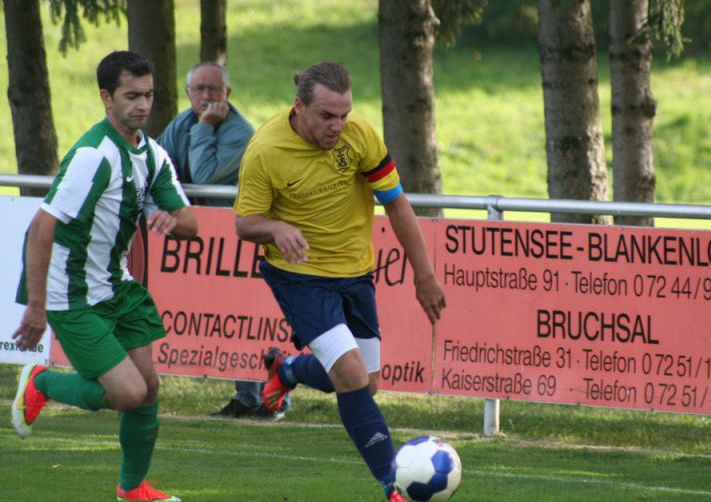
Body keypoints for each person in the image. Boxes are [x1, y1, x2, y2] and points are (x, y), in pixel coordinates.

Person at [234, 61, 446, 502]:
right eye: (327, 115)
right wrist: (275, 228)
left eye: (344, 114)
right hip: (299, 278)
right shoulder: (265, 151)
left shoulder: (360, 135)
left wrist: (424, 274)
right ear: (300, 107)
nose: (338, 125)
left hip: (355, 273)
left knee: (366, 383)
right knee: (350, 375)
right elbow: (244, 224)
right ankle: (393, 485)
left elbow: (396, 203)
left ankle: (287, 368)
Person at [11, 51, 197, 502]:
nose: (143, 104)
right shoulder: (93, 156)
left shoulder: (151, 154)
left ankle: (131, 490)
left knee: (148, 390)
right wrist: (36, 307)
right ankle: (42, 382)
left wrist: (172, 221)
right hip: (70, 294)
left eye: (148, 94)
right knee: (130, 393)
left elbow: (189, 223)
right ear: (106, 98)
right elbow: (41, 227)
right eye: (131, 96)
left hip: (116, 286)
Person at [158, 61, 290, 419]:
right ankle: (247, 397)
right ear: (187, 92)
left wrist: (204, 127)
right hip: (206, 242)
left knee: (253, 317)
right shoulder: (180, 124)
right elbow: (160, 166)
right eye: (198, 89)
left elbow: (204, 175)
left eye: (213, 89)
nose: (205, 96)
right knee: (229, 318)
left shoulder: (240, 132)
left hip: (243, 241)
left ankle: (274, 399)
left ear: (227, 93)